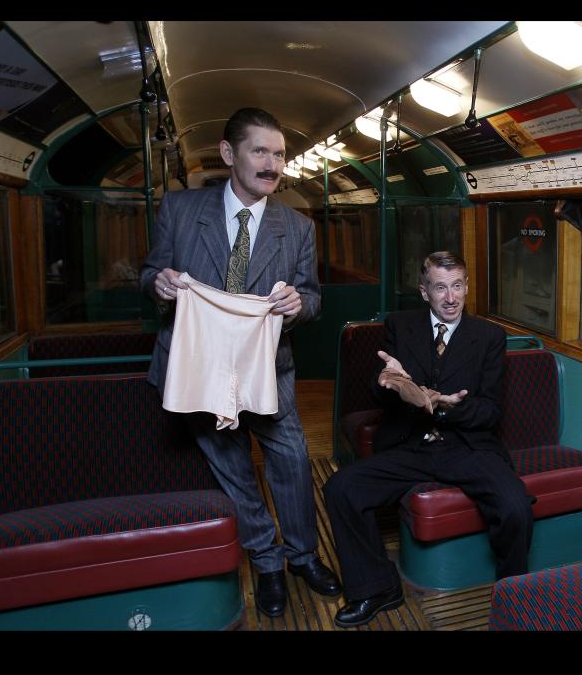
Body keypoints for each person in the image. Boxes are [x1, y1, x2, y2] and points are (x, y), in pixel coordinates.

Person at [140, 107, 340, 618]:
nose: (272, 165)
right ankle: (268, 561)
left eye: (279, 155)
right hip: (200, 369)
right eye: (260, 152)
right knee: (232, 470)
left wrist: (299, 306)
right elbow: (148, 274)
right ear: (229, 154)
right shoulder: (181, 211)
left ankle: (303, 555)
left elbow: (313, 298)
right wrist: (159, 285)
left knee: (293, 462)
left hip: (268, 370)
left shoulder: (296, 226)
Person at [323, 251, 533, 628]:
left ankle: (513, 596)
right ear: (424, 292)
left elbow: (489, 412)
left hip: (466, 447)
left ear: (466, 287)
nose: (451, 297)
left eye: (457, 286)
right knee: (341, 488)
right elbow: (379, 388)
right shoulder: (400, 327)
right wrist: (390, 384)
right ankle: (377, 588)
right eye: (440, 287)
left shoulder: (489, 337)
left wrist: (443, 407)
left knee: (515, 506)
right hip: (410, 445)